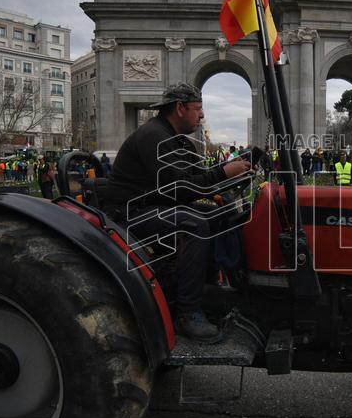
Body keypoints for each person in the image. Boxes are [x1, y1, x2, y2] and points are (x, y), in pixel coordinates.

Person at [101, 82, 253, 342]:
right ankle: (188, 312)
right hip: (130, 212)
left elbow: (195, 178)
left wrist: (223, 181)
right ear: (180, 108)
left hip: (154, 206)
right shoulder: (153, 136)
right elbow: (178, 188)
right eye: (198, 108)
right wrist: (223, 172)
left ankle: (208, 291)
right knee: (193, 224)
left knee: (216, 216)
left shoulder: (177, 140)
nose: (202, 115)